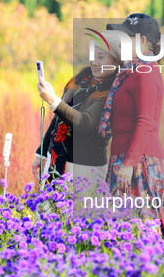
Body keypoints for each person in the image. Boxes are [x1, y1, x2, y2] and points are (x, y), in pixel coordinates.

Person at [102, 13, 164, 238]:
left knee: (144, 234)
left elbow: (146, 122)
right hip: (126, 159)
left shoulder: (146, 73)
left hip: (139, 164)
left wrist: (129, 163)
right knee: (122, 234)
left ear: (143, 41)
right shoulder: (130, 71)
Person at [33, 32, 120, 189]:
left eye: (101, 57)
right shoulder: (81, 80)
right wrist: (41, 152)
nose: (94, 61)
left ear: (116, 60)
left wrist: (53, 100)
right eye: (93, 55)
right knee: (50, 210)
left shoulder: (113, 92)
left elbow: (85, 122)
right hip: (57, 159)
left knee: (79, 212)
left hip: (85, 167)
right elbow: (58, 119)